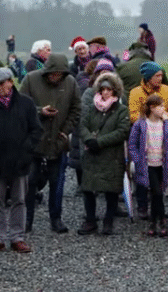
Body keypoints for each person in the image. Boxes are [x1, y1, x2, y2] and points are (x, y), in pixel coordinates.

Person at [20, 53, 81, 234]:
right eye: (54, 74)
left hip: (58, 141)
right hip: (33, 142)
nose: (57, 77)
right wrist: (40, 112)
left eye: (61, 74)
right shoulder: (30, 80)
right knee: (30, 182)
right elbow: (21, 106)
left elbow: (77, 109)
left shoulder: (71, 83)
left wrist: (66, 130)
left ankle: (56, 218)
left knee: (57, 182)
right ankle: (27, 219)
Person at [78, 71, 131, 236]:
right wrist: (88, 140)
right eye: (103, 89)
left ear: (115, 91)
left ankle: (108, 221)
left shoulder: (121, 110)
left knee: (111, 191)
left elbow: (122, 131)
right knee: (88, 189)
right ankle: (91, 220)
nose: (105, 92)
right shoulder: (91, 108)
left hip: (111, 156)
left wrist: (99, 142)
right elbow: (82, 125)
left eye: (109, 89)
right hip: (92, 156)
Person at [0, 67, 42, 253]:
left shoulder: (26, 103)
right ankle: (0, 237)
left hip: (21, 159)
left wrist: (26, 150)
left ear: (11, 82)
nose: (2, 87)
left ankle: (17, 237)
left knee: (19, 199)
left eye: (3, 83)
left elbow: (36, 130)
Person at [128, 92, 168, 237]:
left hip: (162, 164)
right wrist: (137, 160)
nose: (163, 109)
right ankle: (160, 220)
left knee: (158, 193)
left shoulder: (166, 125)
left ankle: (154, 221)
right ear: (152, 107)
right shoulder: (140, 124)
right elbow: (132, 144)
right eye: (160, 106)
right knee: (157, 192)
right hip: (148, 163)